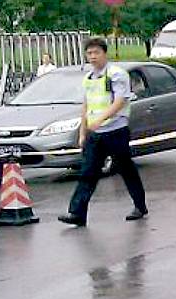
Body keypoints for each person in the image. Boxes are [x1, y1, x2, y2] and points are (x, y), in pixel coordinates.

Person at [58, 37, 148, 226]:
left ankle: (140, 205)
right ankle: (77, 213)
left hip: (116, 129)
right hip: (95, 133)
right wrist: (83, 133)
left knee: (125, 168)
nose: (92, 57)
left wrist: (102, 119)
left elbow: (120, 100)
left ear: (104, 53)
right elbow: (86, 106)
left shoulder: (116, 74)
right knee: (88, 171)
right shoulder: (88, 78)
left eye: (96, 52)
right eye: (89, 53)